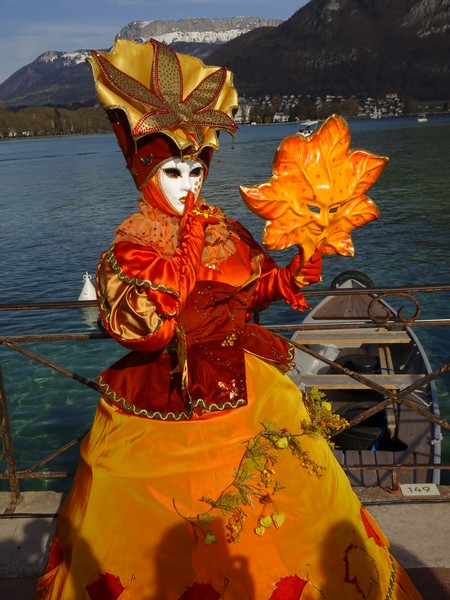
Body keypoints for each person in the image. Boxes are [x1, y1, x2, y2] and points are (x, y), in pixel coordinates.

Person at [35, 39, 422, 599]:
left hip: (249, 386)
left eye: (196, 169)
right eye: (173, 171)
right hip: (164, 395)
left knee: (274, 518)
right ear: (146, 174)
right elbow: (147, 332)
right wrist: (182, 258)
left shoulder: (225, 230)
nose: (189, 184)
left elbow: (250, 293)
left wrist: (289, 277)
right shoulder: (131, 249)